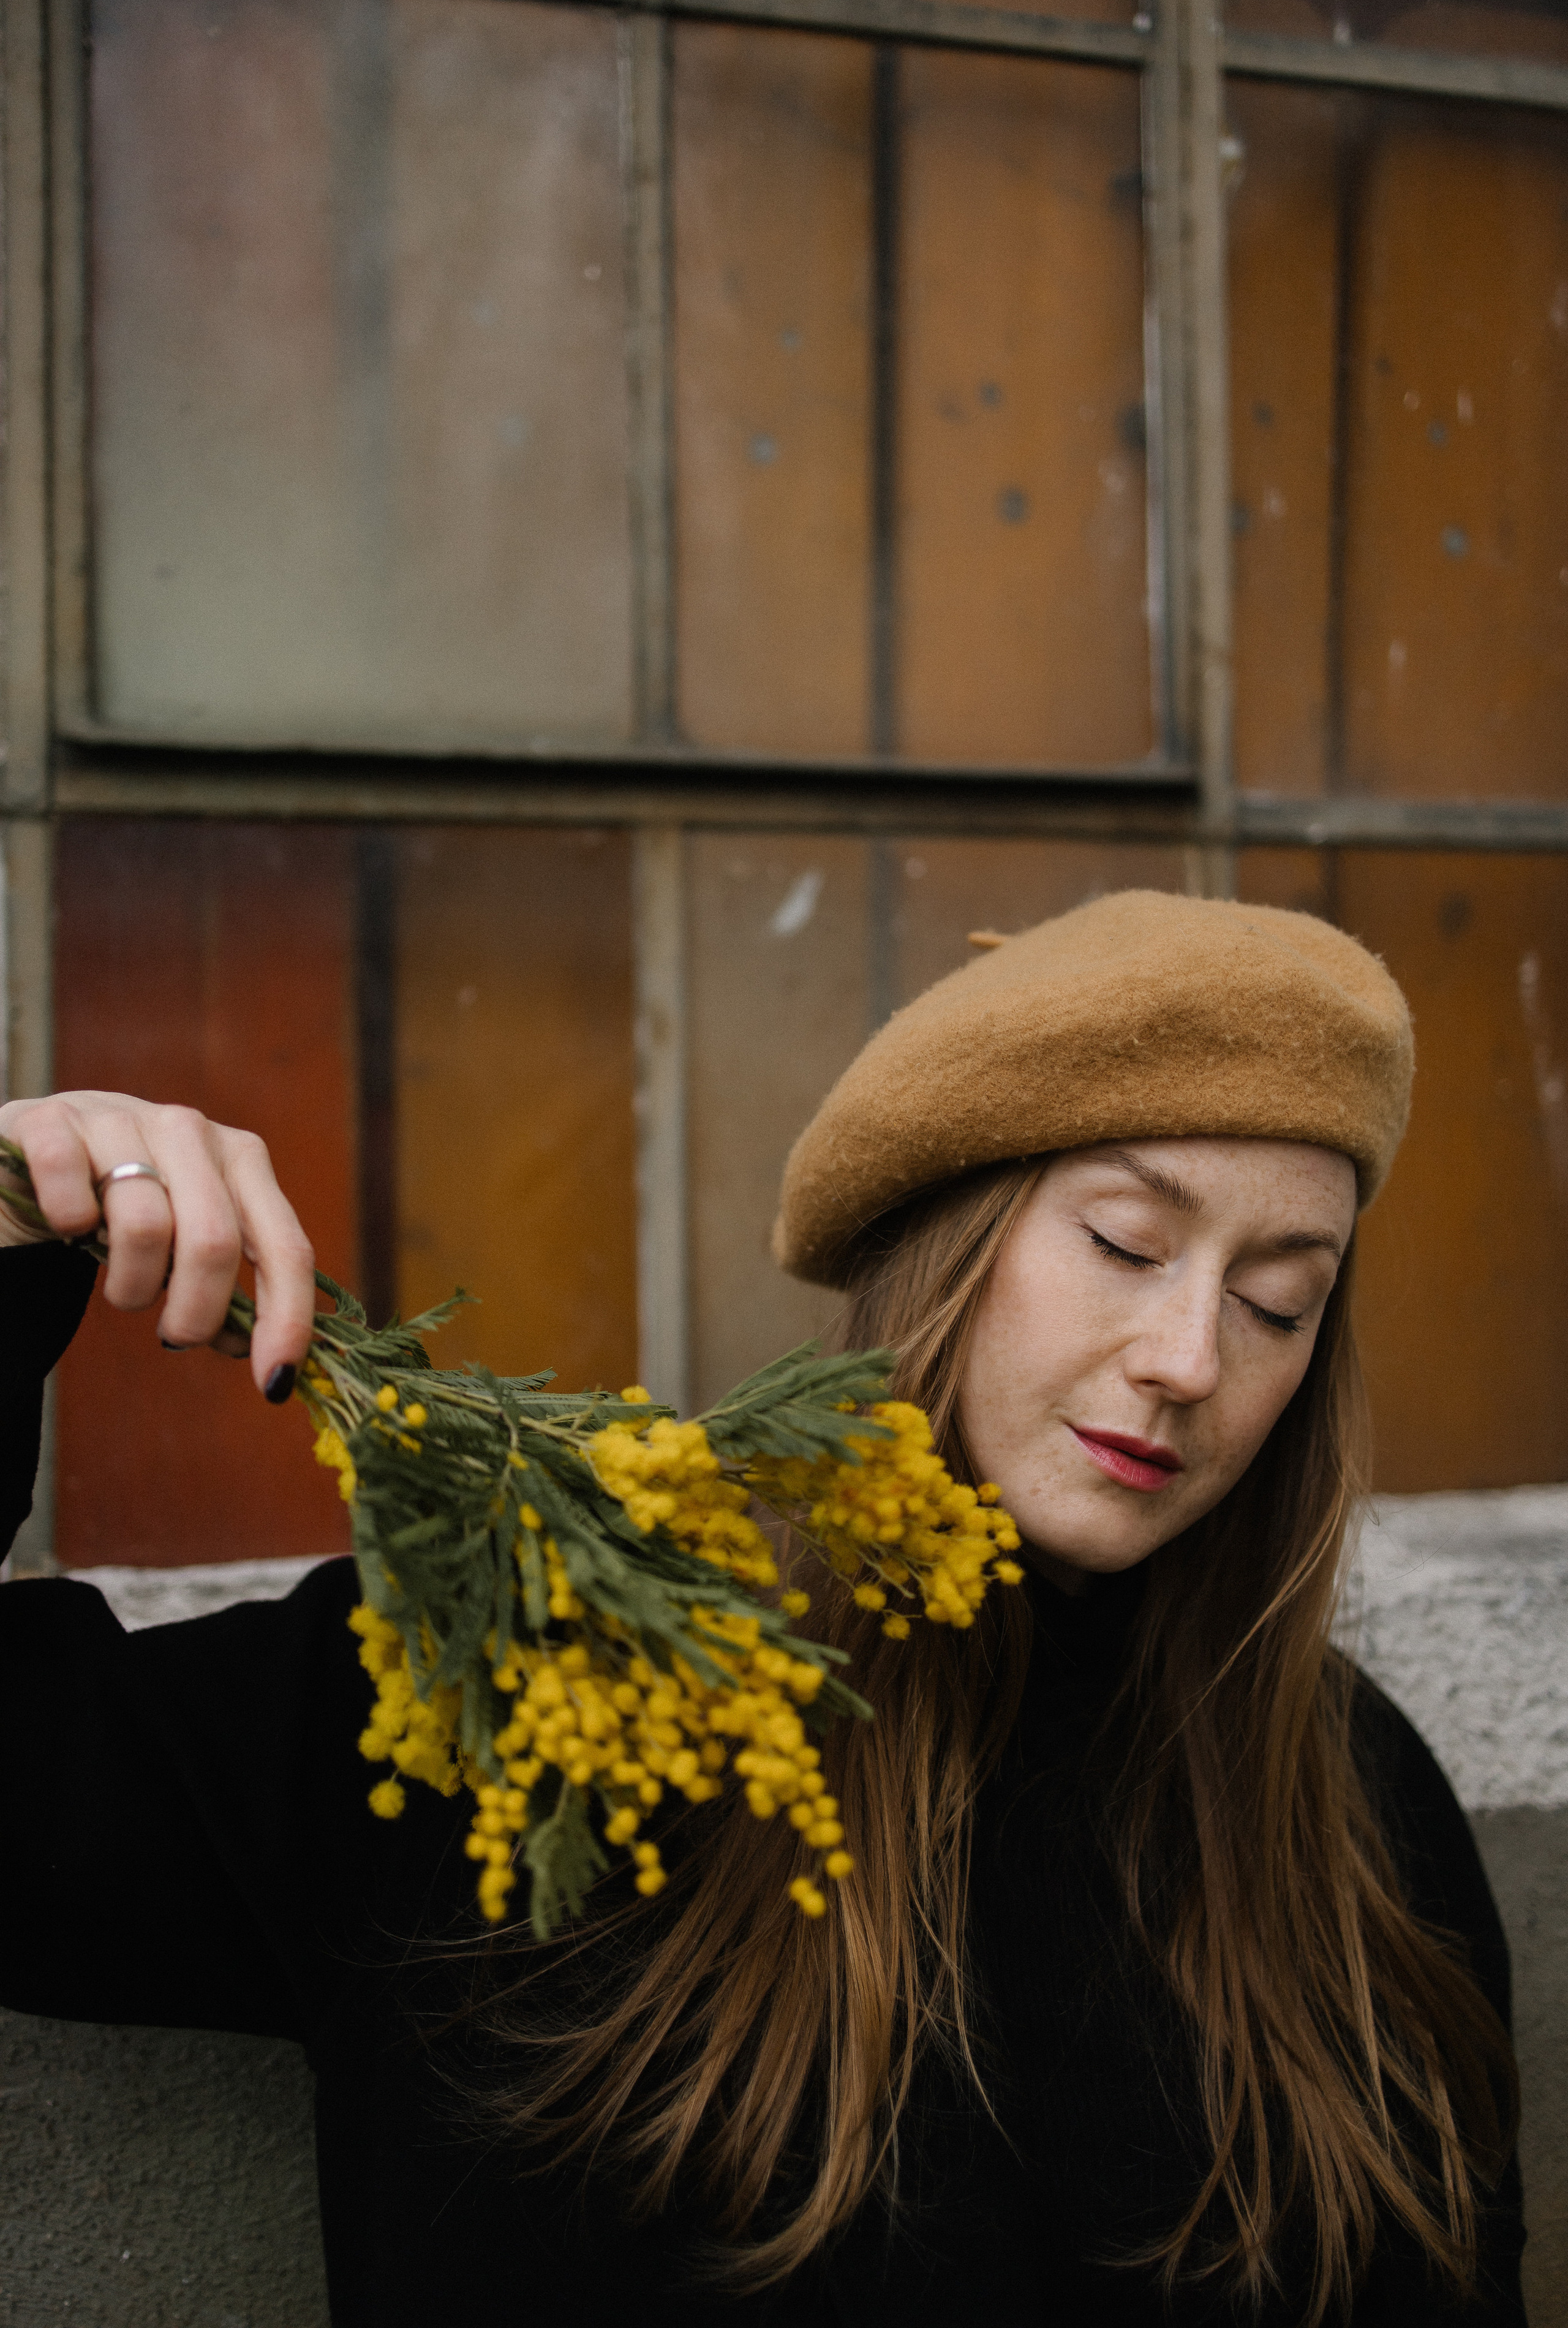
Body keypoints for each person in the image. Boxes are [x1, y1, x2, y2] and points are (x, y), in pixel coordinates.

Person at [0, 890, 1525, 2326]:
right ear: (946, 1236)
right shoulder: (510, 1679)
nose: (1190, 1355)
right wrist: (8, 1225)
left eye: (1278, 1301)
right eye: (1123, 1243)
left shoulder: (1346, 1808)